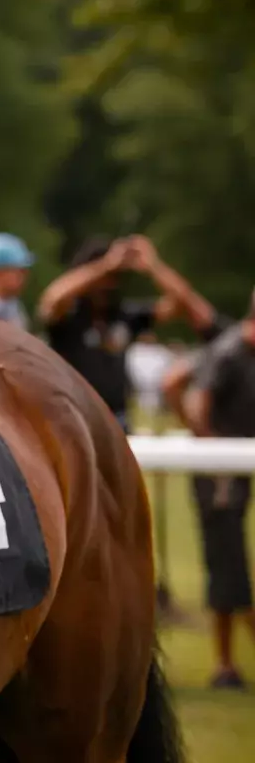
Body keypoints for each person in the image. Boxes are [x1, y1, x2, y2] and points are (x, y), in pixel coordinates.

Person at [163, 289, 255, 689]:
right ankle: (223, 663)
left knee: (228, 565)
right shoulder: (230, 352)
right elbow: (186, 391)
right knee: (229, 567)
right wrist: (211, 448)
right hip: (219, 476)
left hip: (234, 470)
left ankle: (226, 664)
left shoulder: (235, 348)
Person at [37, 234, 216, 431]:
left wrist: (153, 265)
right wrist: (105, 265)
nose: (108, 284)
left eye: (114, 277)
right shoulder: (67, 316)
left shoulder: (122, 316)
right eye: (103, 278)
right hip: (73, 421)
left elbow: (182, 302)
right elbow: (51, 299)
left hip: (117, 423)